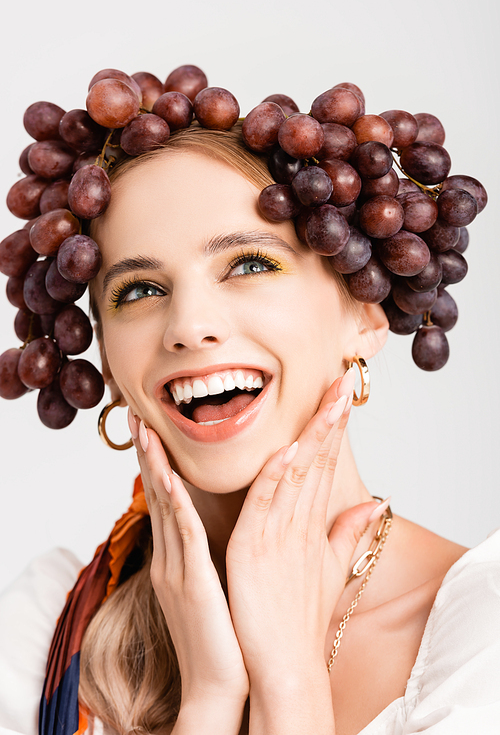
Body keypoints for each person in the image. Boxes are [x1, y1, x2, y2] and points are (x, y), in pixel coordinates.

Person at [0, 67, 498, 735]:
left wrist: (288, 680)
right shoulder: (47, 628)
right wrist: (210, 695)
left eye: (250, 265)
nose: (187, 327)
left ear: (366, 312)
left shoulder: (478, 634)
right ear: (111, 366)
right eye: (139, 290)